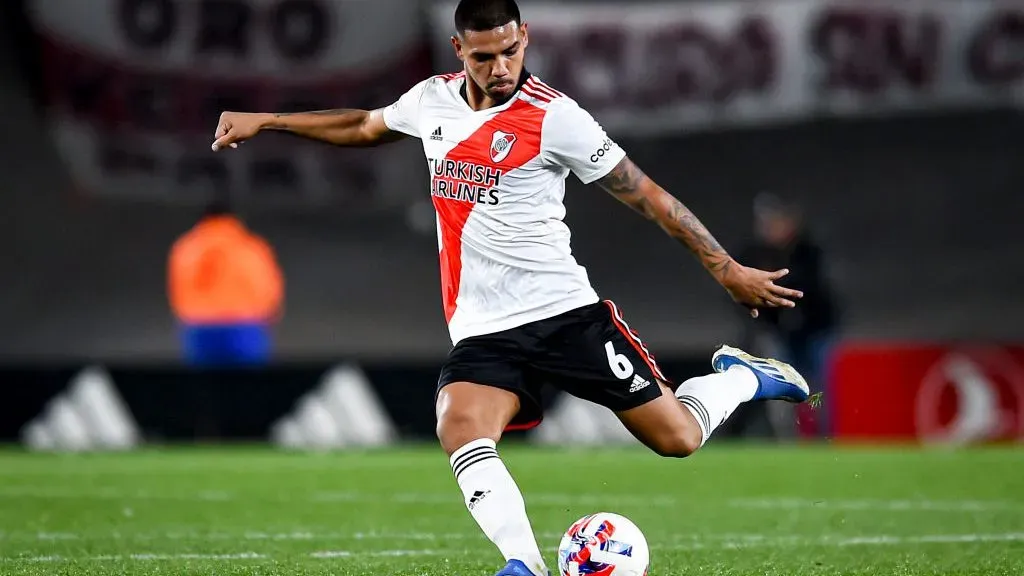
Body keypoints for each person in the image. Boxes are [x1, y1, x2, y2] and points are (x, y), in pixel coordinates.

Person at [210, 1, 810, 574]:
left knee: (677, 438)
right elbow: (365, 125)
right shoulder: (431, 100)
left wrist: (725, 267)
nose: (500, 67)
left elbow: (648, 196)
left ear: (524, 38)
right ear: (458, 49)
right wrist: (269, 121)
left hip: (566, 315)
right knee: (459, 423)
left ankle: (740, 376)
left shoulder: (556, 118)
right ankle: (524, 563)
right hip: (483, 328)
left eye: (509, 51)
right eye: (484, 56)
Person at [736, 192, 840, 436]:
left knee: (819, 385)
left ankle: (824, 434)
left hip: (815, 329)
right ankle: (789, 436)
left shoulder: (807, 252)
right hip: (780, 331)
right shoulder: (755, 254)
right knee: (783, 384)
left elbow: (812, 290)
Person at [168, 199, 284, 367]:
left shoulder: (186, 247)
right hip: (244, 325)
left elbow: (178, 287)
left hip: (199, 325)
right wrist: (271, 313)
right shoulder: (251, 246)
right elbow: (265, 285)